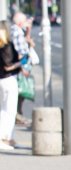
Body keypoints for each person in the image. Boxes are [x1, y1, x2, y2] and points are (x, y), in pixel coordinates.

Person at [0, 21, 21, 151]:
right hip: (8, 79)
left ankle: (6, 138)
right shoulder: (6, 46)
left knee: (3, 110)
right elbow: (9, 66)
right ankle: (4, 138)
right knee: (10, 110)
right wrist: (20, 63)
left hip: (1, 80)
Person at [10, 12, 32, 128]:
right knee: (20, 91)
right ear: (20, 23)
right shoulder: (17, 32)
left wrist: (29, 29)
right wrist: (22, 66)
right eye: (24, 21)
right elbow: (19, 52)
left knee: (20, 91)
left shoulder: (17, 30)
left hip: (20, 64)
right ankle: (17, 115)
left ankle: (17, 115)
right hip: (20, 65)